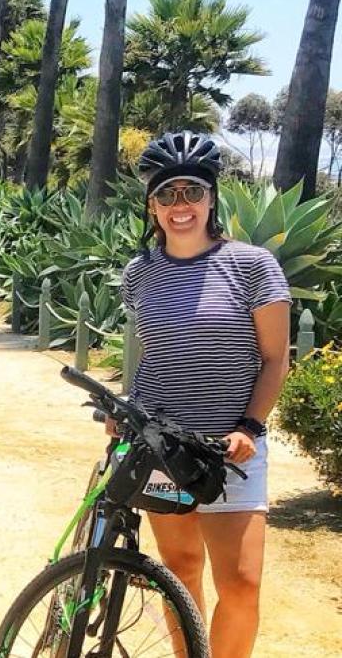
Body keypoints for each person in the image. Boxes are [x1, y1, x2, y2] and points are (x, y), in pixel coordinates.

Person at [121, 130, 290, 658]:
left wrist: (251, 427)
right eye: (167, 195)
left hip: (232, 447)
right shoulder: (139, 273)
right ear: (152, 206)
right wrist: (128, 412)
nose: (180, 206)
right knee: (180, 573)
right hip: (162, 444)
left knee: (241, 582)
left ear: (212, 197)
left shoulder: (252, 265)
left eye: (191, 191)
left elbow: (275, 358)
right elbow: (151, 356)